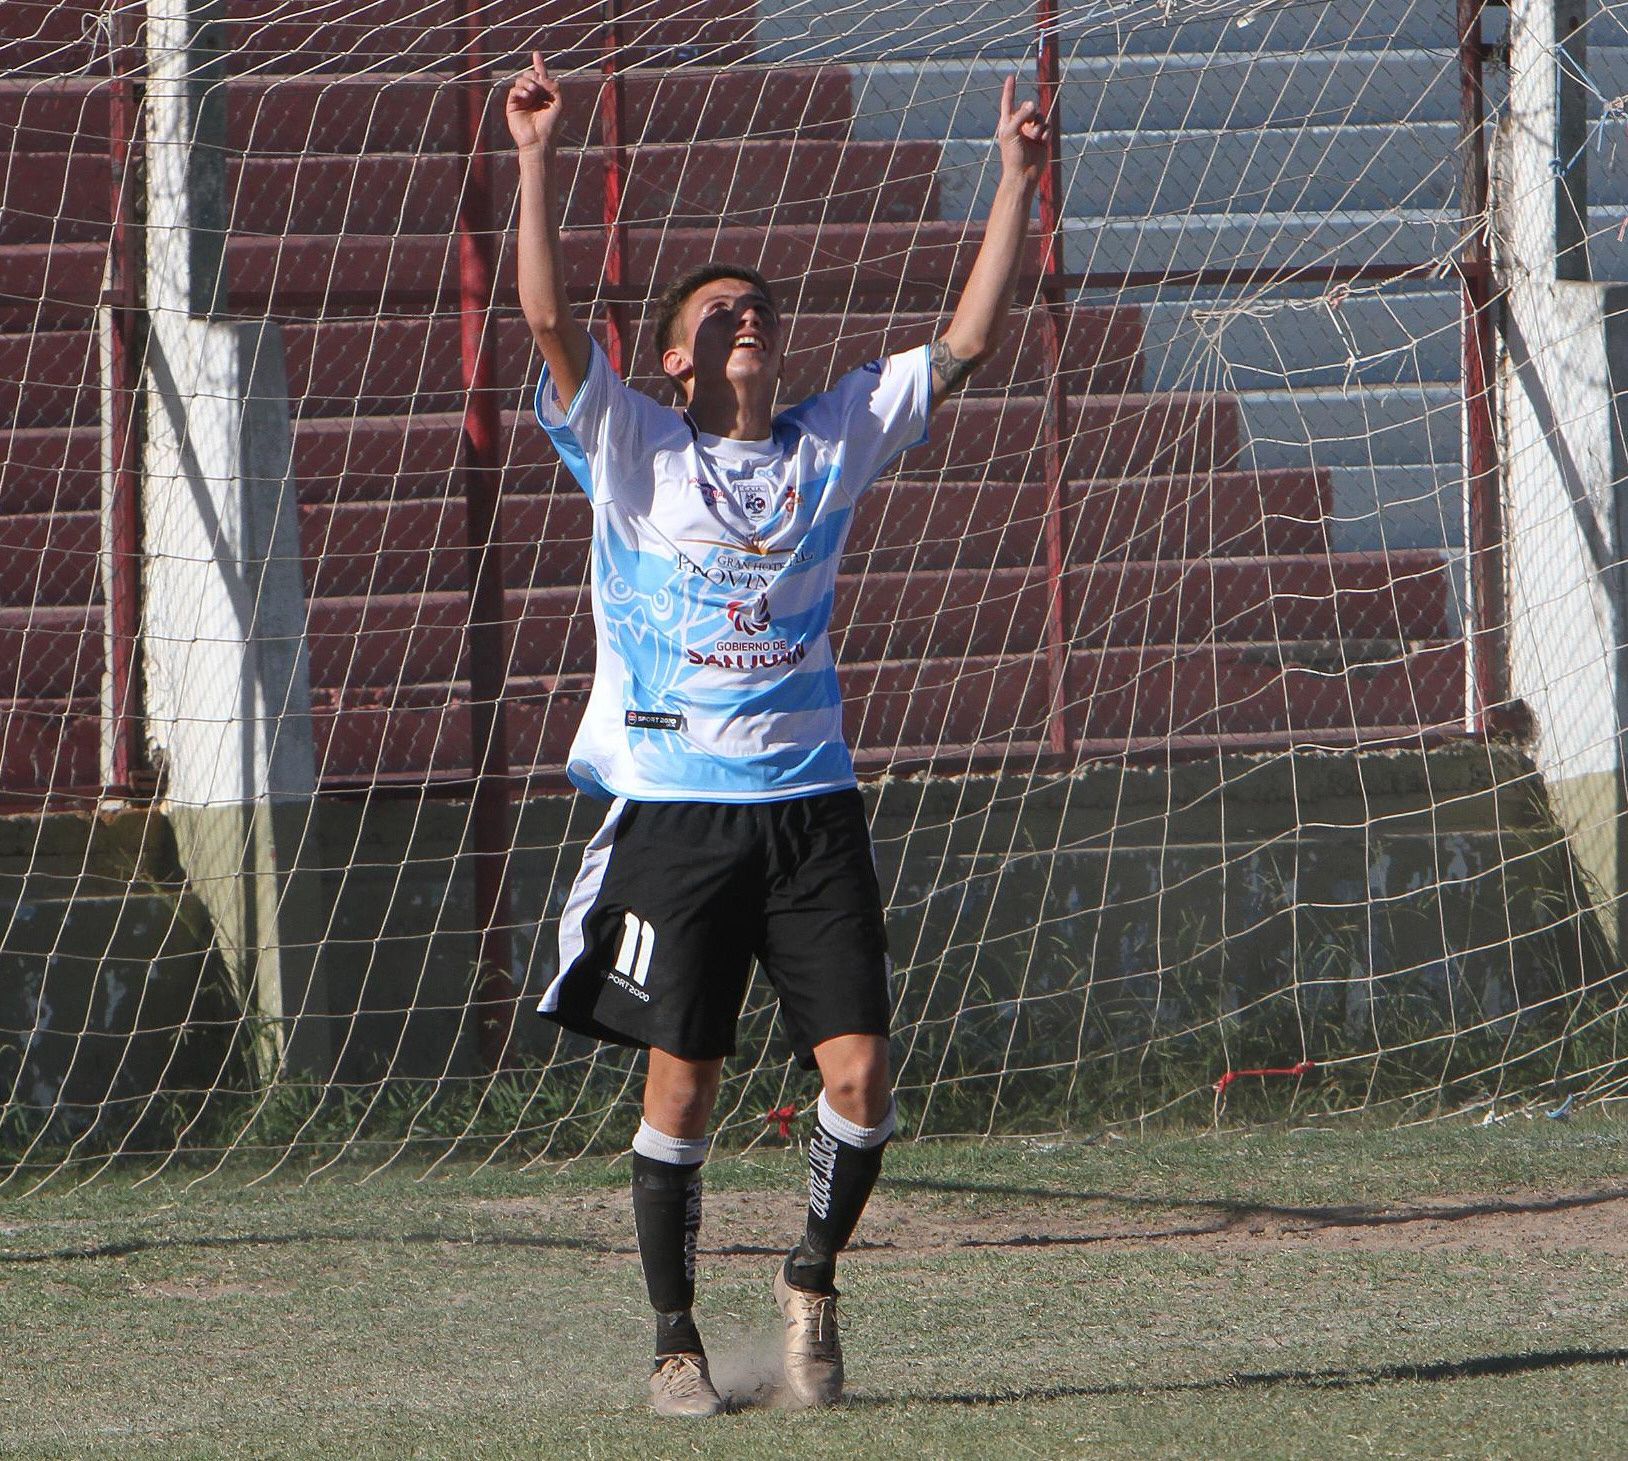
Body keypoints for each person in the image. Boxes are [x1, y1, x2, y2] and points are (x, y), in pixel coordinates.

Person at [505, 51, 1047, 1416]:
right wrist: (537, 158)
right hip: (678, 816)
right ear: (673, 359)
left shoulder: (831, 437)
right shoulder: (630, 446)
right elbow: (550, 317)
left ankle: (811, 1278)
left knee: (860, 1073)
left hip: (813, 808)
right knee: (682, 1087)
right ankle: (675, 1339)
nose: (748, 318)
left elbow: (965, 346)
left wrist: (1015, 181)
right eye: (719, 311)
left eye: (761, 308)